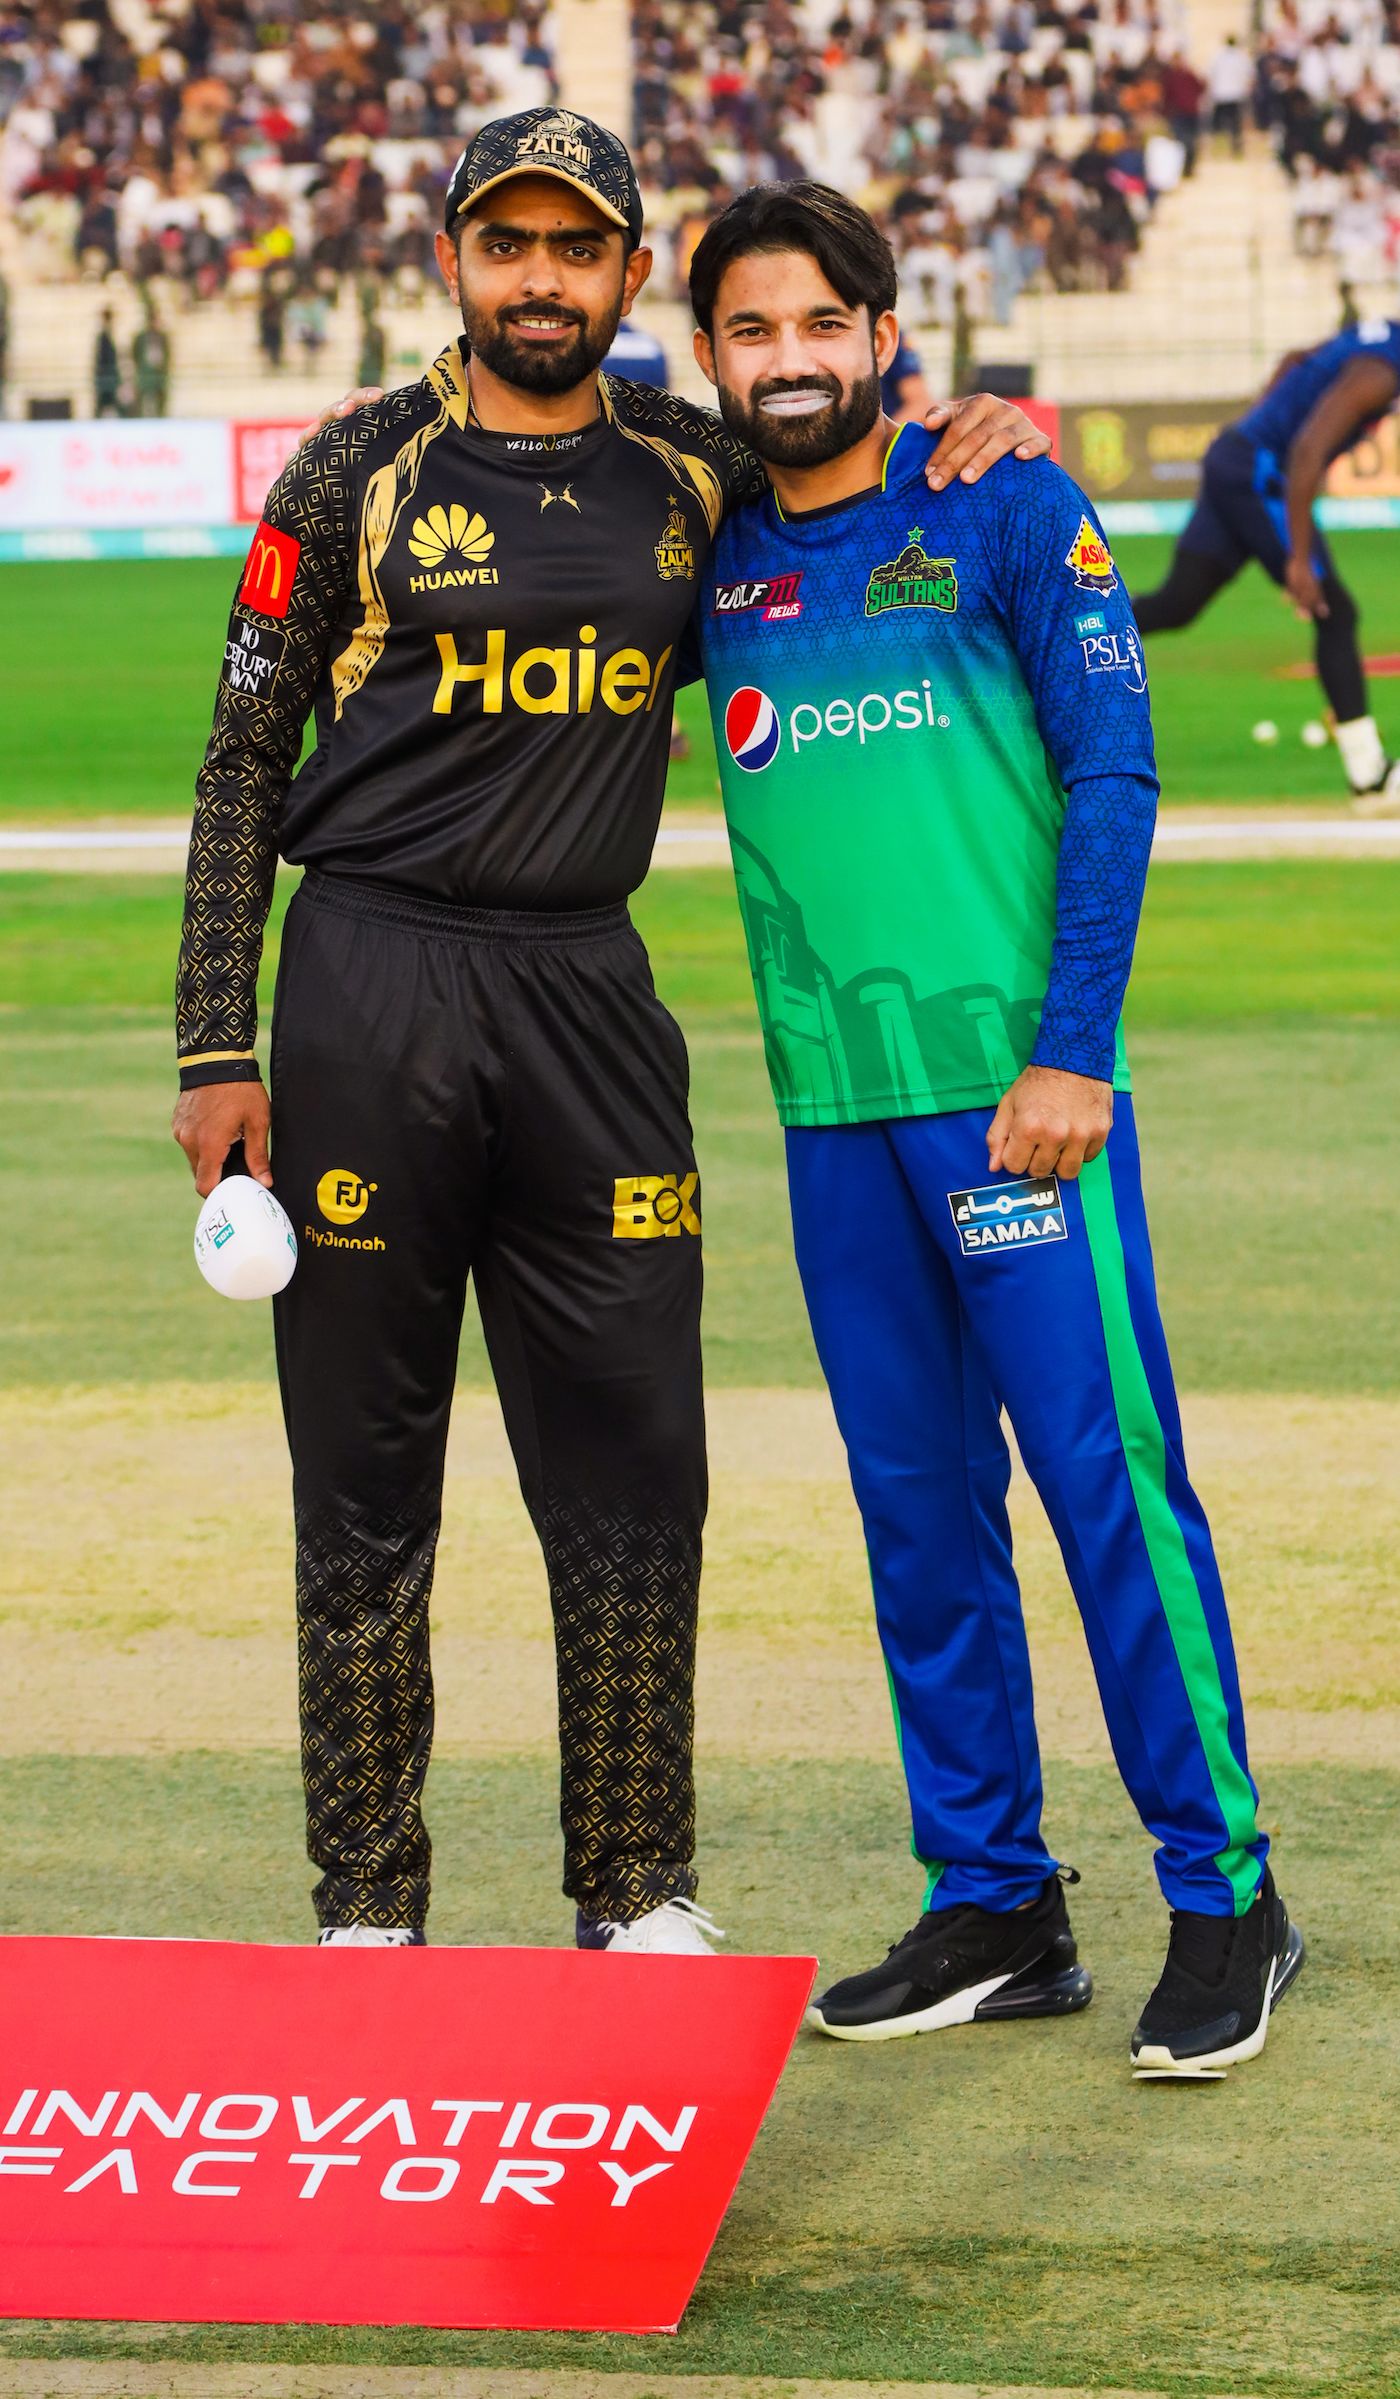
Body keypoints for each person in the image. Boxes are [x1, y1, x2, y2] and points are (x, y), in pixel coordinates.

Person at [173, 109, 1049, 1955]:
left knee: (639, 1456)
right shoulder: (352, 469)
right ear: (454, 263)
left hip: (590, 993)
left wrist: (981, 419)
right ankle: (369, 1902)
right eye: (511, 246)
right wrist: (213, 1047)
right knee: (363, 1464)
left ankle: (635, 1883)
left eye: (579, 249)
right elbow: (243, 761)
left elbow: (854, 456)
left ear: (633, 275)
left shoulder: (693, 463)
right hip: (367, 989)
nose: (543, 279)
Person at [686, 181, 1303, 2079]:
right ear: (708, 355)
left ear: (885, 331)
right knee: (916, 1512)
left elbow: (1115, 772)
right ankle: (997, 1900)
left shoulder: (1010, 502)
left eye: (820, 322)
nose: (788, 358)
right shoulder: (705, 551)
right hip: (832, 1111)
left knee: (1110, 1484)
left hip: (1020, 1101)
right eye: (749, 329)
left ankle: (1227, 1896)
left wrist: (1074, 1046)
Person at [1133, 319, 1400, 812]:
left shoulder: (1375, 336)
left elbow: (1297, 358)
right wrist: (1299, 560)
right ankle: (1370, 778)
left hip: (1235, 457)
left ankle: (1061, 630)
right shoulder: (1381, 372)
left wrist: (1264, 415)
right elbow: (1307, 450)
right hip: (1257, 472)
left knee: (1177, 604)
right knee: (1333, 610)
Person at [132, 310, 171, 416]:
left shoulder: (162, 337)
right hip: (145, 374)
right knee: (141, 399)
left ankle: (161, 418)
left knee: (160, 399)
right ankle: (139, 419)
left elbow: (167, 355)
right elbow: (135, 354)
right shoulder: (141, 337)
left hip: (158, 374)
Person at [92, 308, 123, 416]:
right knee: (103, 405)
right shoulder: (103, 337)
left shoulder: (108, 336)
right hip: (105, 377)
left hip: (109, 377)